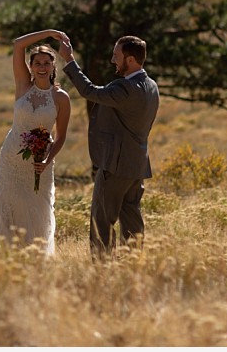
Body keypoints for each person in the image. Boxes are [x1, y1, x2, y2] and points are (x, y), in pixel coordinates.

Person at [57, 34, 159, 256]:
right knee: (132, 220)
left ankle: (102, 270)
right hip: (137, 165)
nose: (113, 60)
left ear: (130, 60)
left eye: (116, 55)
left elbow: (90, 92)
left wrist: (69, 61)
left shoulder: (126, 89)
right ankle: (132, 265)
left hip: (116, 166)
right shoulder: (151, 86)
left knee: (101, 221)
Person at [0, 29, 71, 255]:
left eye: (46, 63)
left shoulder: (60, 98)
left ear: (53, 67)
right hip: (11, 158)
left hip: (39, 164)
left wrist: (47, 161)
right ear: (30, 66)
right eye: (37, 63)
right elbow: (18, 44)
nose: (42, 67)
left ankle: (33, 257)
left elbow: (61, 136)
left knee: (34, 209)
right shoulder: (23, 86)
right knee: (7, 205)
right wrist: (51, 33)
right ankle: (5, 257)